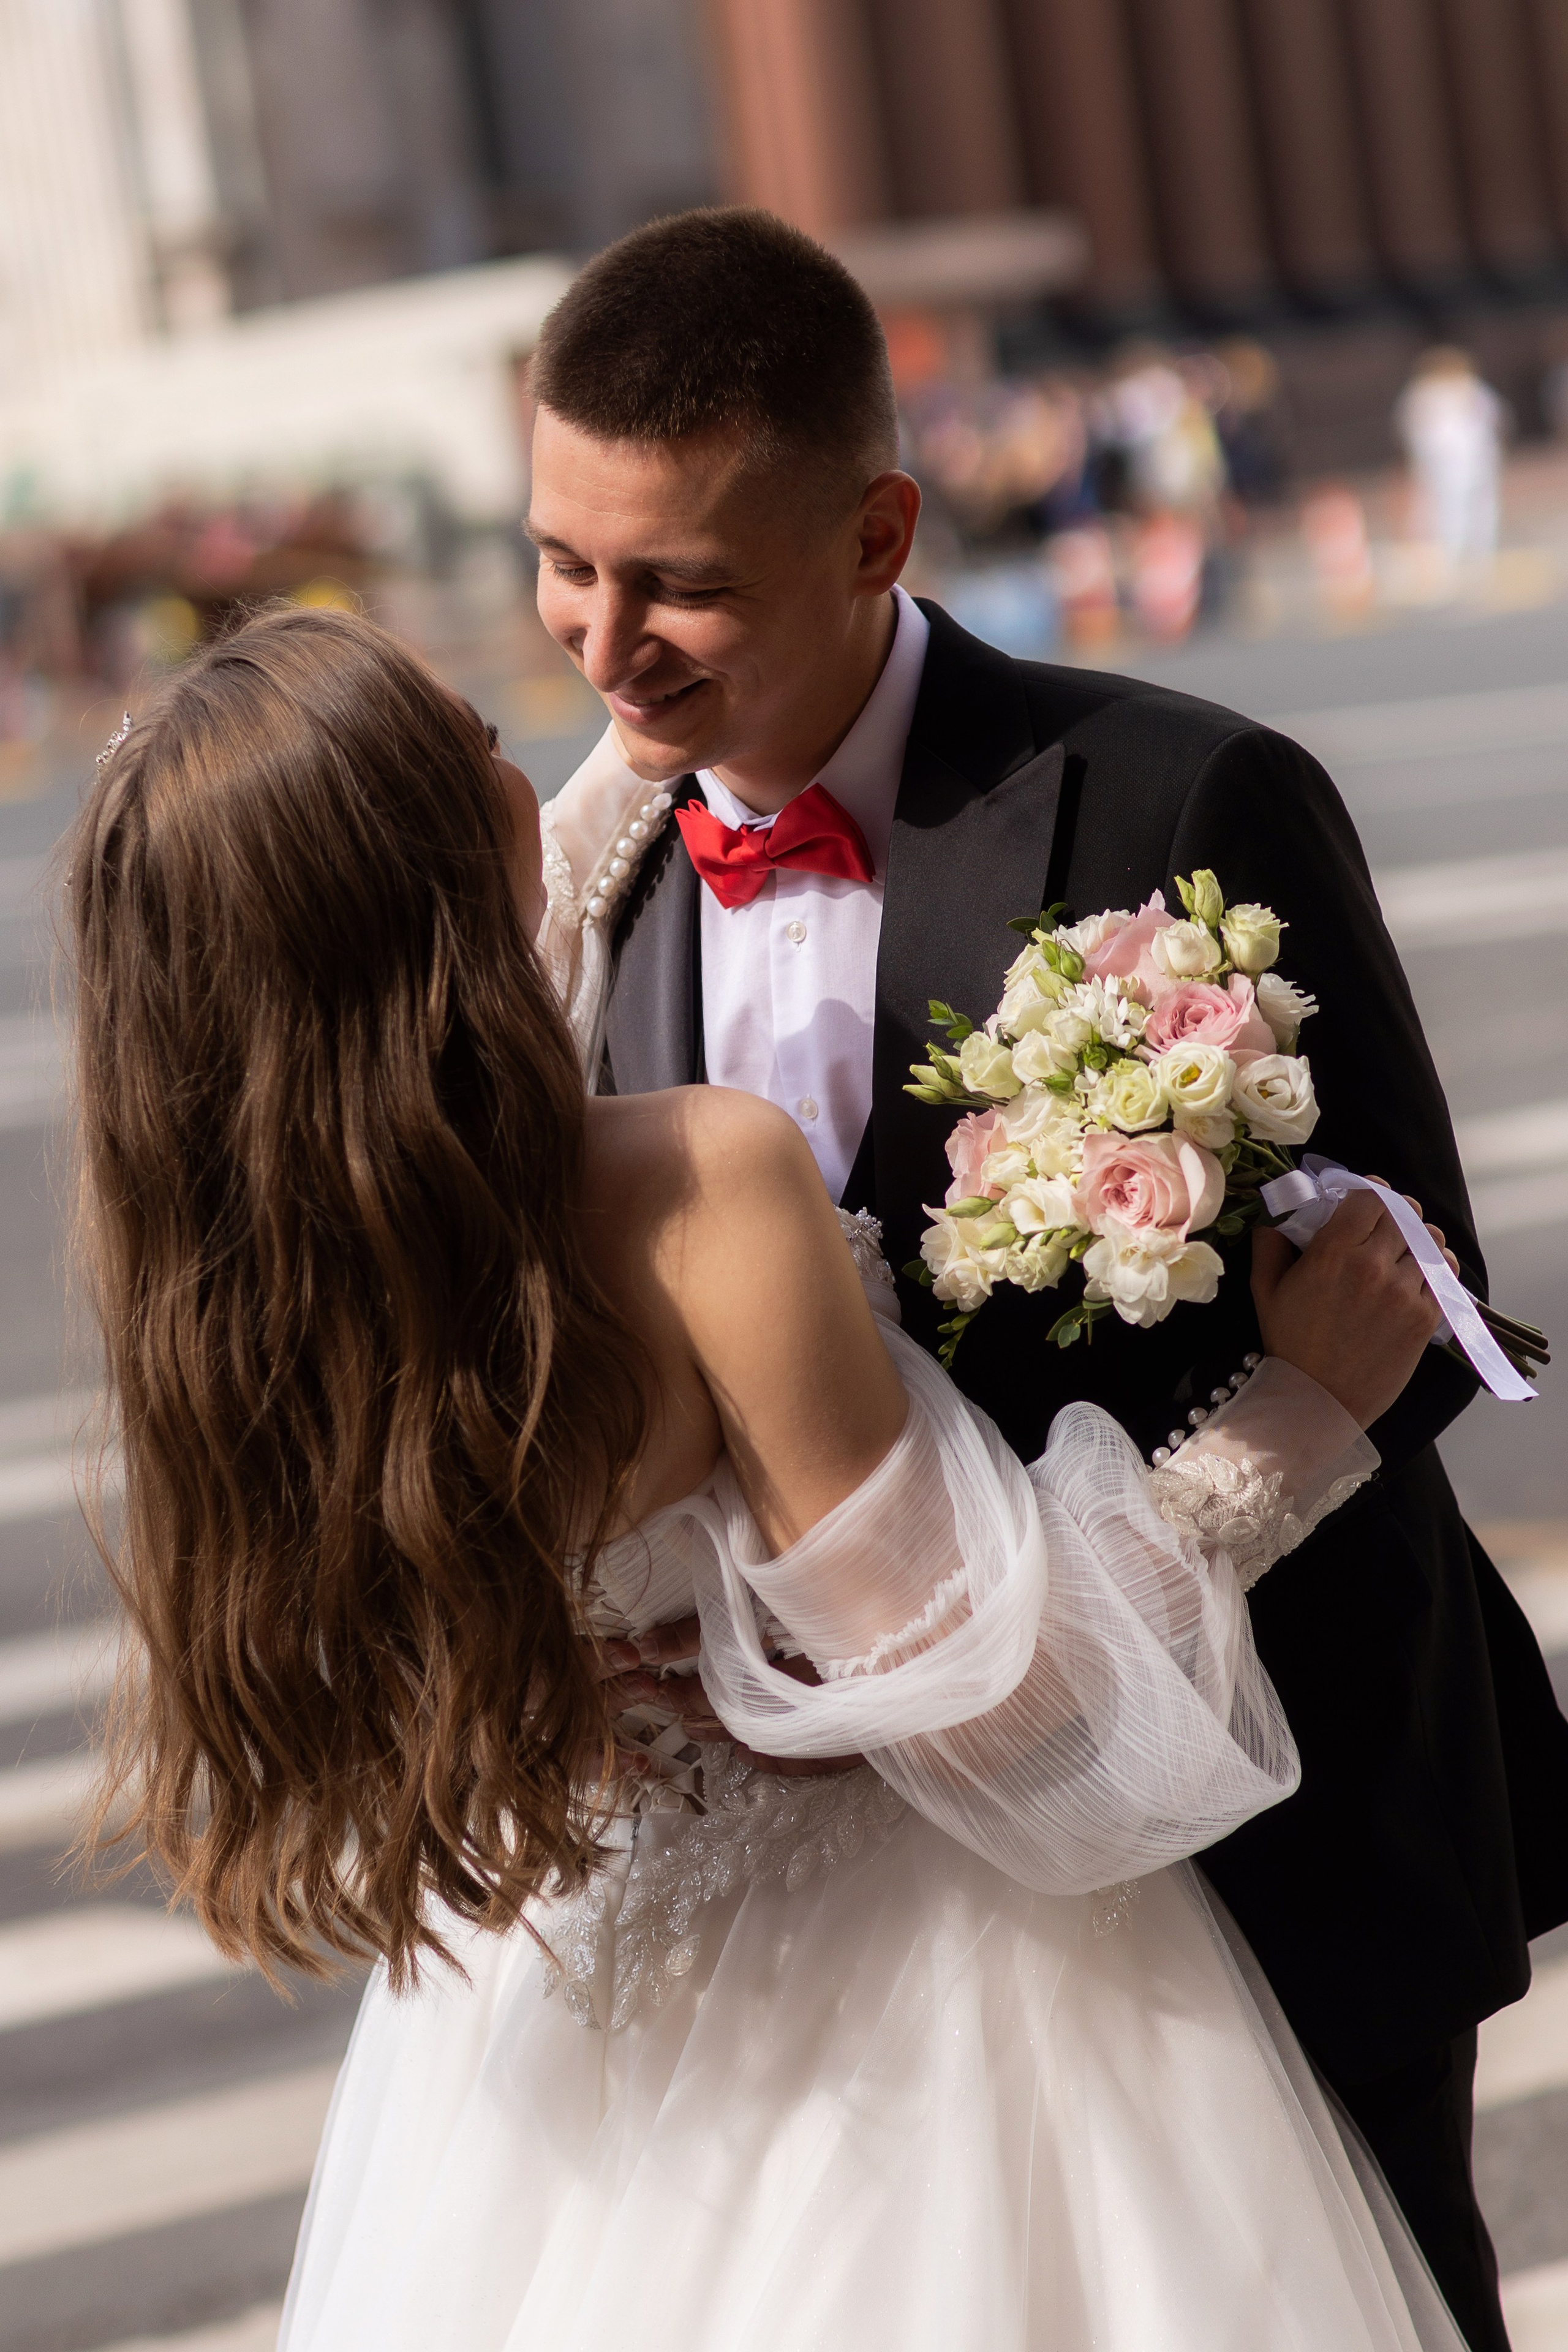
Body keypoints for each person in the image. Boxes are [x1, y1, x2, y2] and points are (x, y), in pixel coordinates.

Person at [78, 603, 1476, 2349]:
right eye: (481, 752)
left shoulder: (260, 1296)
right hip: (917, 1983)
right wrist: (1302, 1416)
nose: (558, 733)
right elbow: (1011, 1711)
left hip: (557, 2012)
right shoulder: (693, 1186)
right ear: (439, 869)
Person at [532, 208, 1568, 2352]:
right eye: (567, 562)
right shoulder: (594, 877)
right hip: (867, 1886)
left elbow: (1425, 1302)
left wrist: (1261, 1429)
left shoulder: (1183, 797)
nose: (604, 643)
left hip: (1271, 1809)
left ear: (880, 534)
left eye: (682, 582)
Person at [1394, 348, 1506, 573]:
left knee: (1474, 507)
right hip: (1447, 462)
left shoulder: (1471, 389)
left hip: (1472, 458)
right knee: (1449, 509)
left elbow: (1494, 419)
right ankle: (1455, 557)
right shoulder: (1425, 394)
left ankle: (1474, 556)